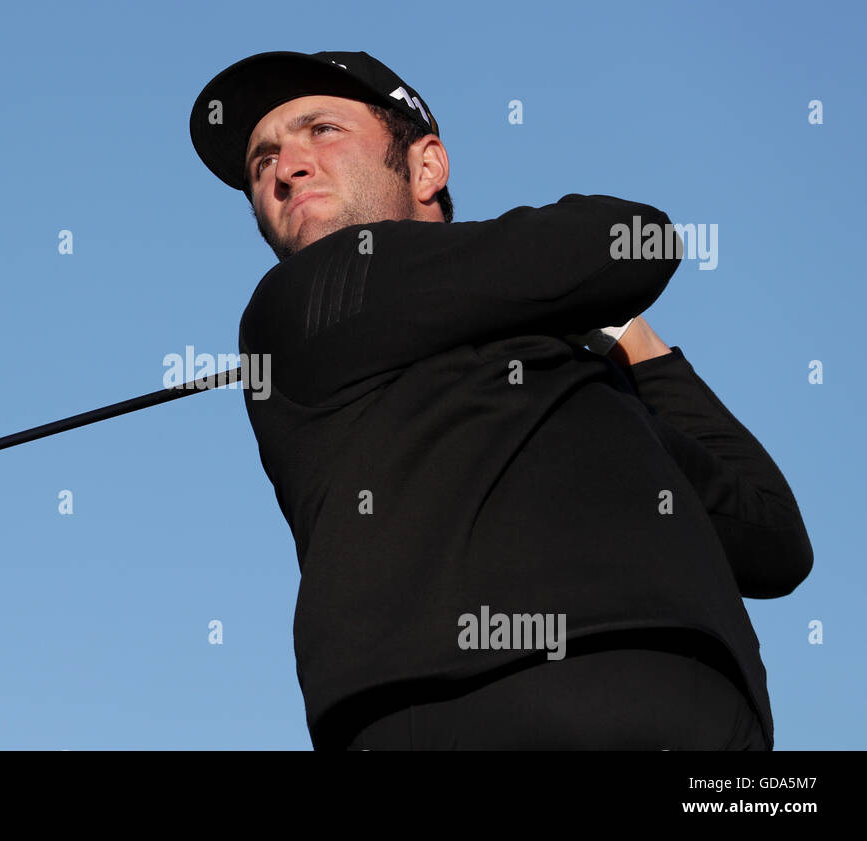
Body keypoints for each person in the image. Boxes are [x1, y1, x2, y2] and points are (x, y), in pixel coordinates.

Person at [188, 50, 815, 750]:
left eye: (321, 130)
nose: (285, 167)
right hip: (465, 700)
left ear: (427, 167)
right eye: (261, 162)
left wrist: (634, 346)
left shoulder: (584, 388)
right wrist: (588, 309)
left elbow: (773, 538)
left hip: (696, 711)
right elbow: (628, 240)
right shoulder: (299, 303)